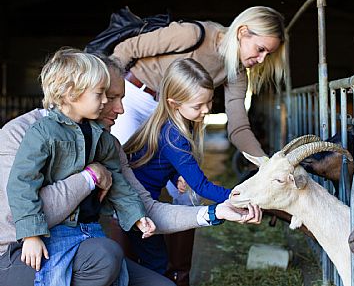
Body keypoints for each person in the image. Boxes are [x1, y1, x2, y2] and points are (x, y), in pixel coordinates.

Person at [0, 52, 262, 286]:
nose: (119, 108)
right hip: (20, 251)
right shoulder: (21, 134)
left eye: (117, 96)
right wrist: (90, 177)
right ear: (77, 92)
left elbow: (143, 203)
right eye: (108, 96)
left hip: (83, 243)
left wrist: (215, 213)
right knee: (106, 255)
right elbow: (18, 211)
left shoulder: (105, 142)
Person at [110, 6, 287, 285]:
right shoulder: (194, 34)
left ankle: (179, 273)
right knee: (119, 182)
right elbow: (125, 49)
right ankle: (120, 269)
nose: (262, 59)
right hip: (133, 96)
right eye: (261, 49)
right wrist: (111, 98)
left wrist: (268, 166)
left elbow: (238, 126)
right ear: (242, 33)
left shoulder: (236, 71)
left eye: (269, 54)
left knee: (186, 192)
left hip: (173, 112)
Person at [6, 48, 156, 286]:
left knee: (118, 278)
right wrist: (31, 234)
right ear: (70, 93)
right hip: (56, 232)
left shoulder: (103, 138)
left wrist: (136, 215)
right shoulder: (43, 132)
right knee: (53, 279)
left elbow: (117, 183)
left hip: (91, 229)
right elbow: (22, 184)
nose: (107, 101)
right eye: (100, 94)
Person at [122, 58, 233, 274]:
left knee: (147, 258)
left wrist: (175, 176)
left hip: (135, 200)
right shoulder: (175, 136)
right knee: (157, 263)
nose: (207, 109)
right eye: (198, 106)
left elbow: (160, 159)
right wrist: (239, 196)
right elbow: (201, 186)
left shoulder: (169, 123)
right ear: (175, 103)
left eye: (209, 101)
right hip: (136, 205)